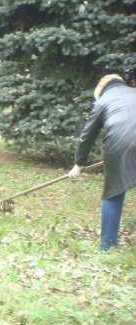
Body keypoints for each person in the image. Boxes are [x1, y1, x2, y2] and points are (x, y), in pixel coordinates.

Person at [68, 74, 136, 250]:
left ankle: (108, 246)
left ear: (101, 89)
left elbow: (87, 135)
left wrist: (79, 163)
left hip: (119, 145)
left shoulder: (103, 100)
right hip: (125, 143)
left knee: (113, 192)